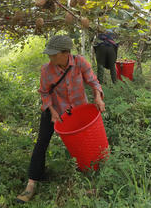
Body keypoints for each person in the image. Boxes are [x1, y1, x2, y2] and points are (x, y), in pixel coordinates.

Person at [16, 35, 105, 204]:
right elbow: (44, 92)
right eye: (49, 54)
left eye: (54, 54)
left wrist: (98, 97)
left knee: (83, 143)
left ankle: (88, 175)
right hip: (55, 110)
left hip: (78, 110)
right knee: (41, 143)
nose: (50, 57)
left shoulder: (80, 62)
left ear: (66, 53)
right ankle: (32, 183)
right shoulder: (47, 70)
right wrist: (52, 111)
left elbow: (93, 82)